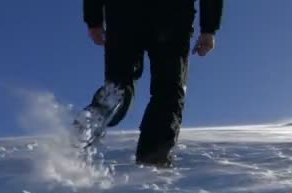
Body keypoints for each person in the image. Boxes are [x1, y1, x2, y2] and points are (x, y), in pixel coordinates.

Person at [77, 0, 224, 167]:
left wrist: (94, 19)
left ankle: (84, 130)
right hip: (171, 16)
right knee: (168, 90)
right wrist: (209, 29)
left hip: (125, 15)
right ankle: (152, 161)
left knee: (119, 86)